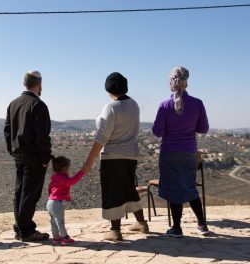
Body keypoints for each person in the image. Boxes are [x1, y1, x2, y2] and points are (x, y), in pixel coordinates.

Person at [83, 72, 149, 242]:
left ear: (108, 89)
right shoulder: (134, 105)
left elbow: (101, 137)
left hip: (112, 156)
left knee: (112, 192)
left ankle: (115, 230)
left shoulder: (111, 107)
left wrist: (89, 160)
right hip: (131, 155)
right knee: (128, 189)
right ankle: (141, 223)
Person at [152, 66, 210, 238]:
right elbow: (203, 128)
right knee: (189, 186)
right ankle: (202, 224)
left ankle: (176, 228)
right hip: (189, 152)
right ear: (186, 82)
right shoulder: (197, 104)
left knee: (172, 189)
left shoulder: (165, 105)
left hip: (169, 153)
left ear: (172, 81)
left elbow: (157, 132)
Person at [4, 70, 52, 242]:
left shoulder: (13, 104)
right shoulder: (38, 105)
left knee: (19, 192)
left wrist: (12, 150)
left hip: (19, 155)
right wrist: (46, 158)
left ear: (24, 83)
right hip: (34, 157)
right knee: (30, 194)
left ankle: (19, 227)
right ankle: (26, 230)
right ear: (39, 84)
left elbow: (7, 131)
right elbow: (42, 136)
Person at [46, 156, 86, 245]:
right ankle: (65, 238)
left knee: (54, 221)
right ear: (65, 168)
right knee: (60, 221)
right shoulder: (62, 177)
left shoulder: (54, 177)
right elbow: (71, 181)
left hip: (50, 202)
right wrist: (81, 173)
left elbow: (49, 189)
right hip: (57, 203)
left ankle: (56, 238)